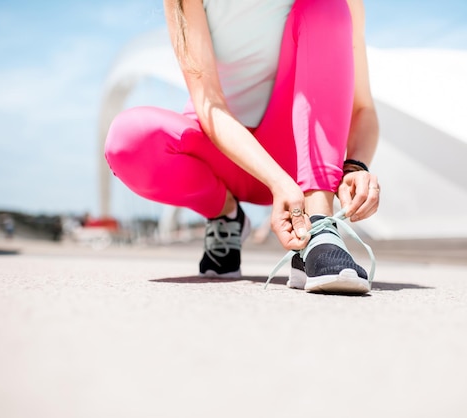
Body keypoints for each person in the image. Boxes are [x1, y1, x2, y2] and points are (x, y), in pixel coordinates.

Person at [105, 0, 380, 294]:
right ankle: (226, 214)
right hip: (221, 156)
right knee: (128, 140)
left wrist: (354, 166)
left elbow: (363, 109)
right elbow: (210, 104)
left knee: (326, 4)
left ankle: (318, 226)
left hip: (297, 160)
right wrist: (276, 181)